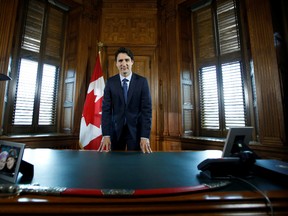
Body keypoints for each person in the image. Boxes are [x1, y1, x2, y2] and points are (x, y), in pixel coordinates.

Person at [99, 47, 152, 153]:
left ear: (132, 62)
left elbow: (147, 111)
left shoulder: (142, 82)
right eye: (120, 61)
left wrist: (145, 136)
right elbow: (106, 110)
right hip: (115, 132)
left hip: (136, 133)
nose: (124, 63)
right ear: (116, 64)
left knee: (136, 166)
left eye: (127, 60)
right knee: (115, 165)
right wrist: (106, 134)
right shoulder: (110, 82)